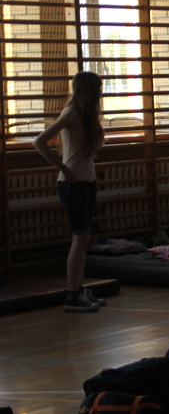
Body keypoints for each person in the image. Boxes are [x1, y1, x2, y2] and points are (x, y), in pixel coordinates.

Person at [33, 71, 105, 312]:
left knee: (84, 238)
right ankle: (72, 294)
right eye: (98, 89)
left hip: (87, 181)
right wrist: (63, 167)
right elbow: (39, 141)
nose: (100, 94)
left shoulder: (87, 114)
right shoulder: (71, 112)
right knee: (80, 237)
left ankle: (78, 288)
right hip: (72, 183)